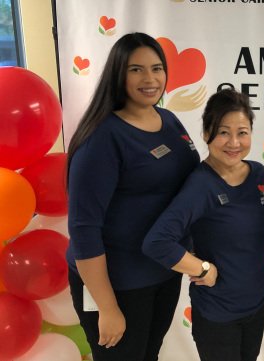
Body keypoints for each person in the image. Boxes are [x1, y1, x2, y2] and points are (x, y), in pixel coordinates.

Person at [66, 32, 200, 361]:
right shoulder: (102, 138)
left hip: (163, 273)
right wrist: (107, 308)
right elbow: (84, 230)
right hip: (117, 285)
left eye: (157, 68)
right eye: (136, 69)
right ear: (118, 74)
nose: (150, 78)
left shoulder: (168, 120)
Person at [142, 88, 264, 361]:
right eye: (223, 132)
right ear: (205, 133)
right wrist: (201, 268)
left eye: (242, 132)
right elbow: (157, 242)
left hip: (257, 302)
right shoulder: (201, 184)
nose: (234, 142)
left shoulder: (257, 173)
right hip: (219, 313)